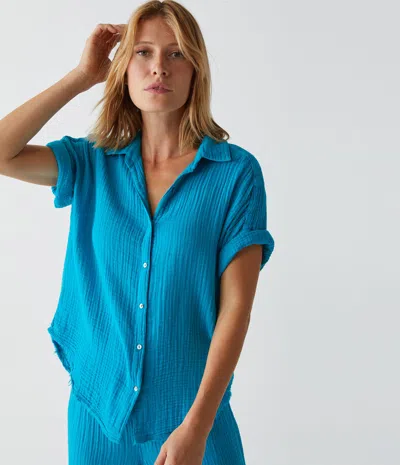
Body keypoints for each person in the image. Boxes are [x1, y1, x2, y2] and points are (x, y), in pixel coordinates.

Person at [0, 1, 275, 463]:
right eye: (143, 52)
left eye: (175, 54)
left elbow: (236, 310)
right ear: (124, 68)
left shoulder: (234, 174)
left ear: (196, 69)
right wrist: (82, 76)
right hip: (99, 417)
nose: (158, 68)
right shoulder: (91, 162)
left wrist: (197, 427)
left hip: (194, 417)